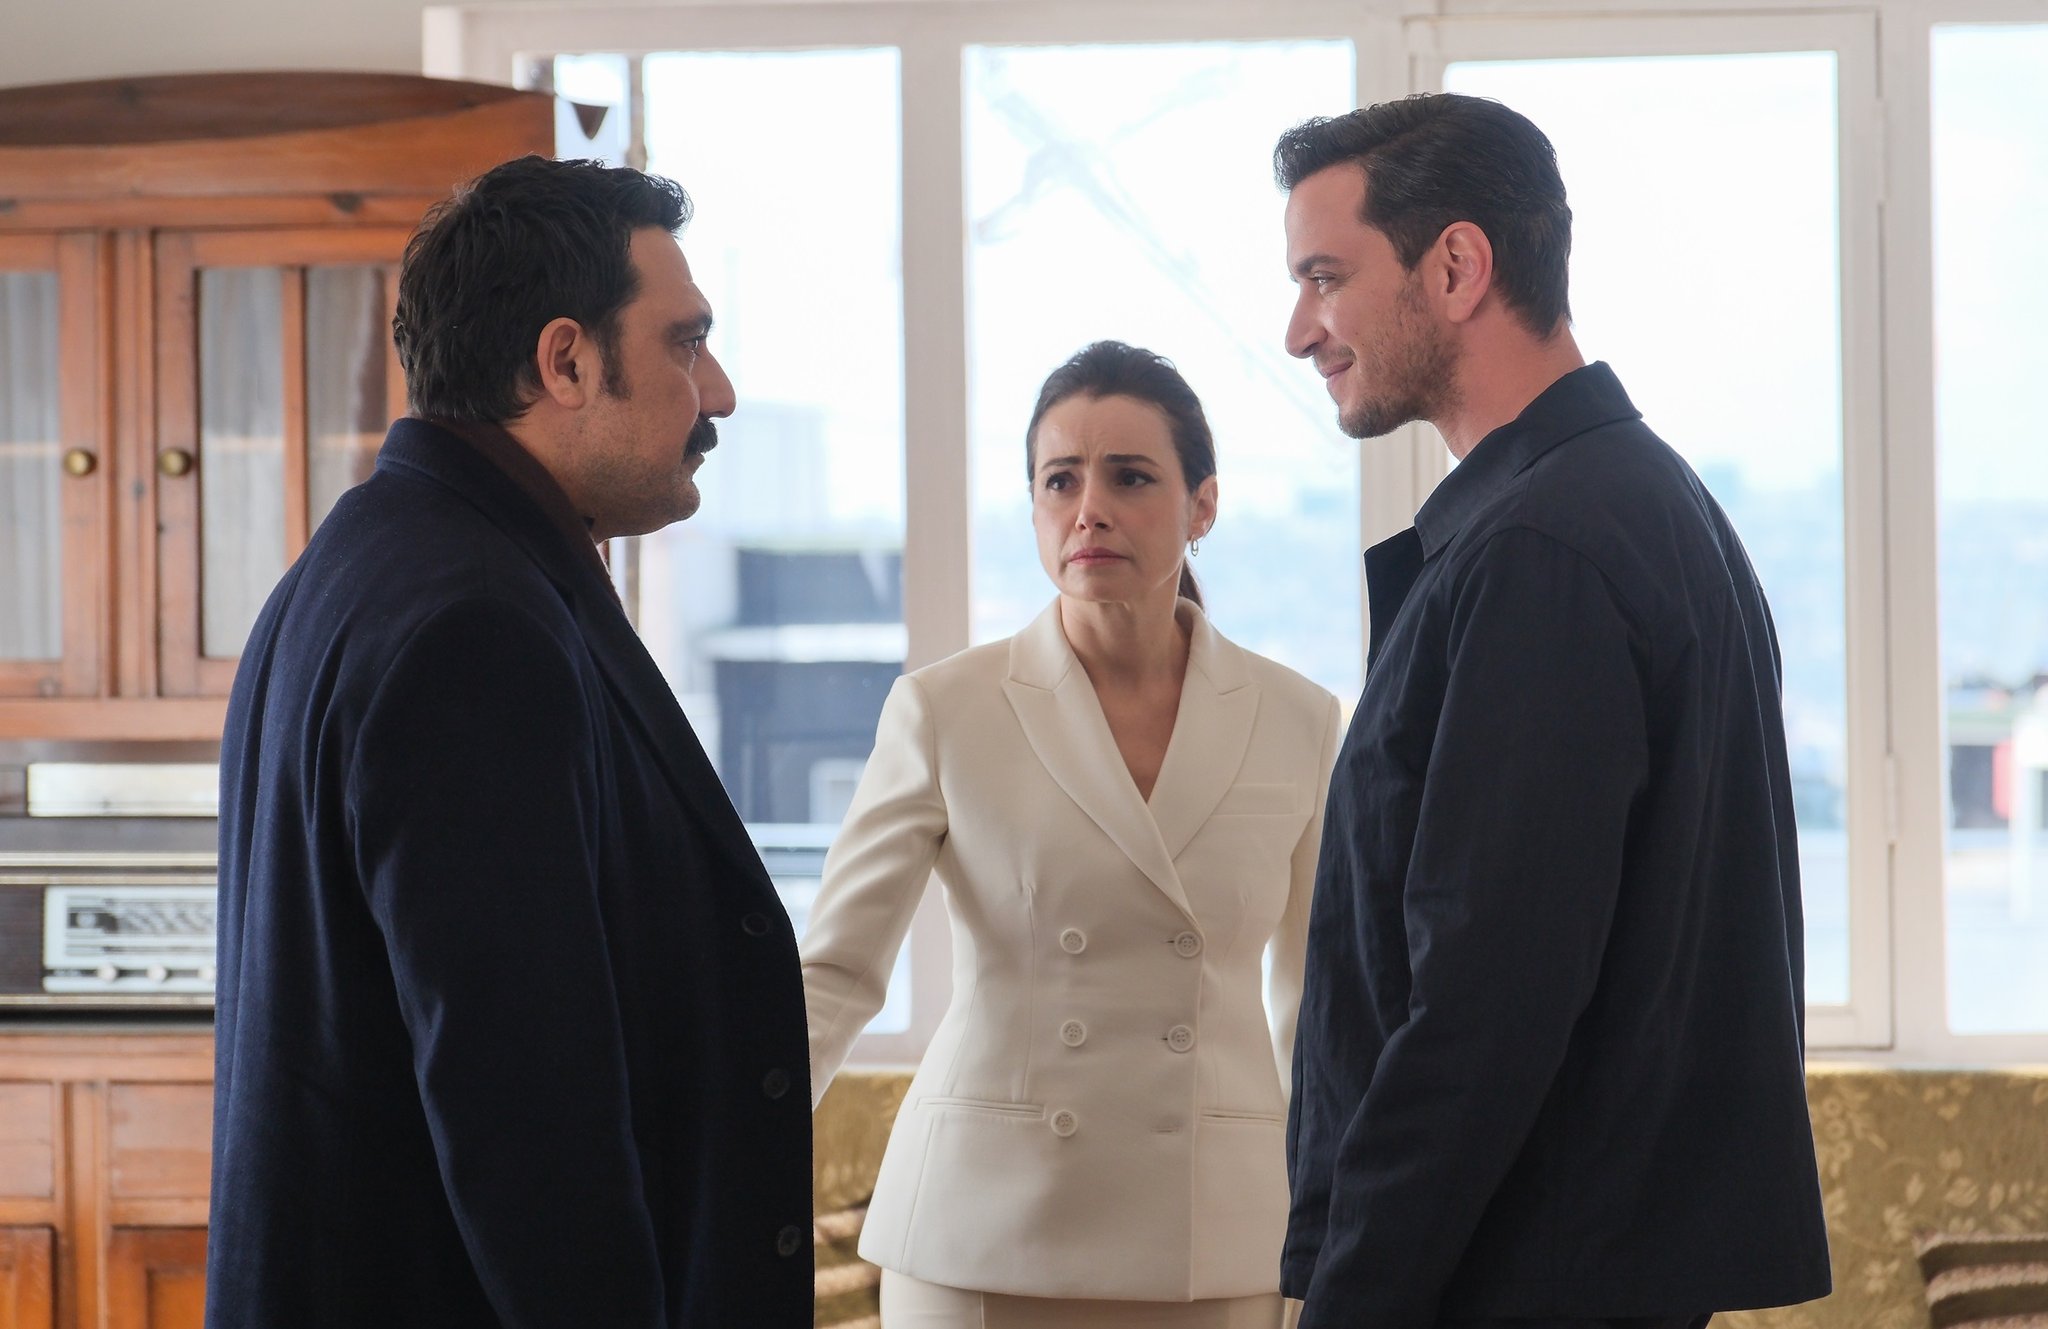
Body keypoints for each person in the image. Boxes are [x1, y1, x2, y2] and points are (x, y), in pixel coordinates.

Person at [206, 156, 813, 1328]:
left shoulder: (372, 558)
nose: (720, 394)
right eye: (686, 343)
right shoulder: (474, 625)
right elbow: (528, 1119)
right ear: (565, 362)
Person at [1272, 94, 1831, 1329]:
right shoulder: (1630, 501)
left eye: (1324, 277)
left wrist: (1349, 1302)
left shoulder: (1540, 549)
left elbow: (1484, 1001)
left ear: (1455, 267)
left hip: (1514, 1282)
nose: (1299, 329)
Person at [800, 340, 1341, 1329]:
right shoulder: (945, 708)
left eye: (1129, 477)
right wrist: (707, 1161)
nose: (1088, 508)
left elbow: (1315, 1006)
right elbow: (834, 973)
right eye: (1060, 480)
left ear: (1202, 506)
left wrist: (1333, 1224)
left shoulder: (1298, 720)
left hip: (1215, 1238)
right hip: (981, 1233)